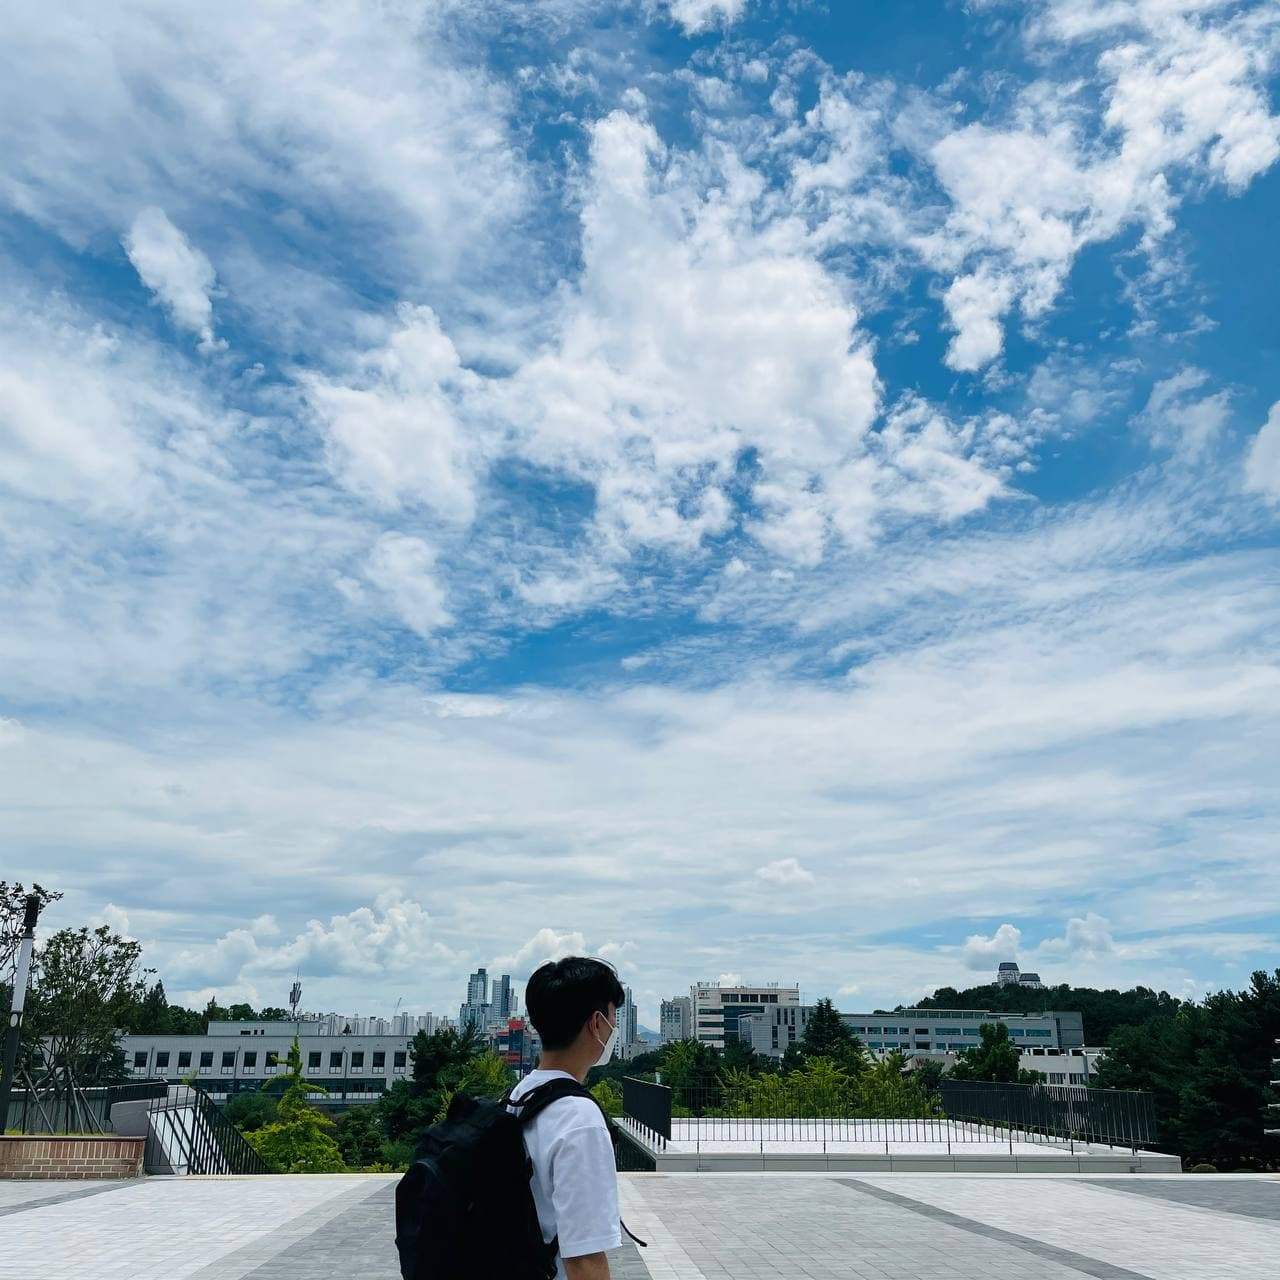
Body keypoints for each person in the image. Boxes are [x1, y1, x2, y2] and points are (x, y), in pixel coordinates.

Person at [509, 956, 625, 1280]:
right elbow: (584, 1260)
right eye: (613, 1017)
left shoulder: (518, 1095)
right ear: (596, 1023)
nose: (614, 1027)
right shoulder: (579, 1119)